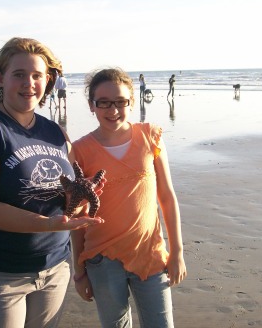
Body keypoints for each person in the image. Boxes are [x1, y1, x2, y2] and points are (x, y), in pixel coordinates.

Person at [0, 37, 105, 328]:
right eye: (19, 75)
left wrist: (79, 264)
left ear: (47, 80)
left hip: (54, 268)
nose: (29, 83)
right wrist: (48, 224)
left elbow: (71, 199)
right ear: (1, 78)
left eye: (37, 75)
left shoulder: (55, 132)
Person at [71, 68, 187, 327]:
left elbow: (167, 197)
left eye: (120, 102)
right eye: (104, 102)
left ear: (132, 102)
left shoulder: (150, 136)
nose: (113, 110)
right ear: (92, 106)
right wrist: (79, 273)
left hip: (151, 253)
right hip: (101, 258)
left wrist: (177, 251)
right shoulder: (80, 150)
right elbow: (77, 217)